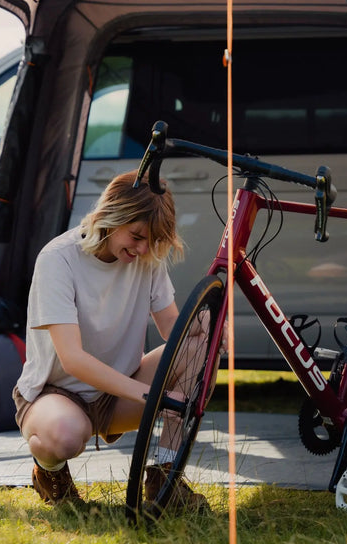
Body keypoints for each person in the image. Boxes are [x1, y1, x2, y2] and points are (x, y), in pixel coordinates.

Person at [13, 170, 208, 511]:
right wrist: (154, 396)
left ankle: (164, 476)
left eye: (153, 241)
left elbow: (172, 329)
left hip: (118, 394)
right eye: (136, 236)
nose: (143, 248)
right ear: (110, 215)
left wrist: (207, 325)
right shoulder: (58, 259)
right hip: (57, 394)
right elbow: (72, 359)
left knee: (196, 348)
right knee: (64, 435)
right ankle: (50, 472)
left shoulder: (147, 258)